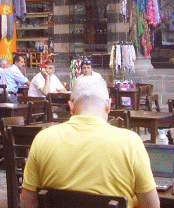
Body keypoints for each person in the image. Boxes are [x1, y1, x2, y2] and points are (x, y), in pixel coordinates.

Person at [20, 76, 159, 208]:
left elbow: (27, 204)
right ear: (109, 106)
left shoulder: (42, 139)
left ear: (71, 106)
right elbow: (152, 205)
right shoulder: (131, 143)